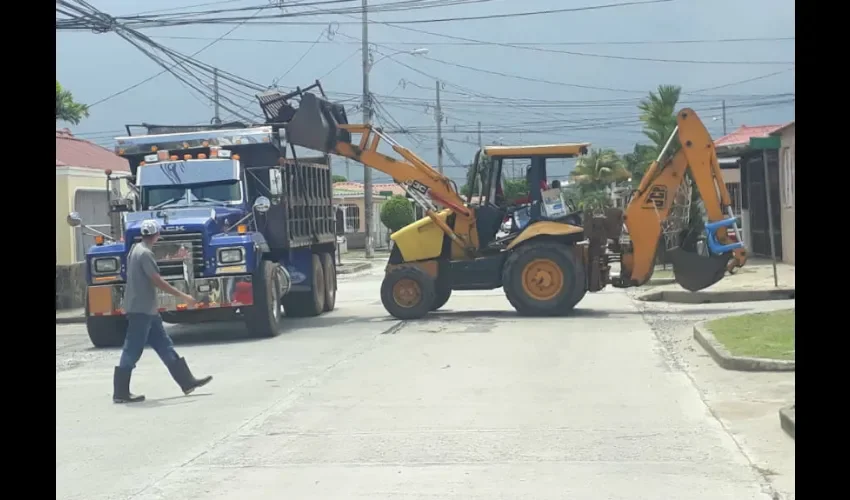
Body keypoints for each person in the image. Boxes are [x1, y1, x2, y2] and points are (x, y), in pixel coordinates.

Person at [113, 219, 213, 404]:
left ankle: (186, 381)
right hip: (141, 309)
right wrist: (183, 295)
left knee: (164, 345)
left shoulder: (136, 249)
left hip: (147, 309)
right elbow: (156, 280)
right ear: (157, 235)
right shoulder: (145, 254)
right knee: (132, 349)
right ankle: (120, 392)